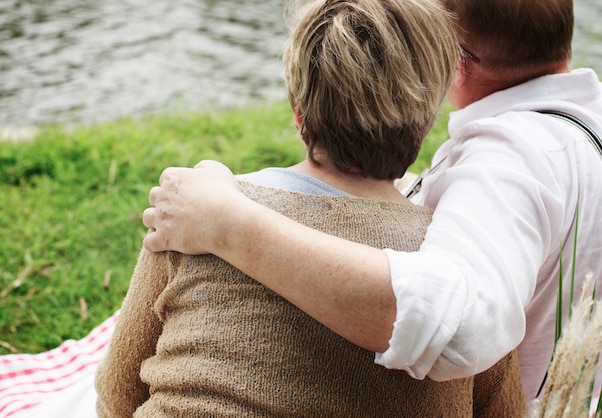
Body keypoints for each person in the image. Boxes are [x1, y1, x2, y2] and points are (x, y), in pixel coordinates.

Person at [142, 0, 602, 406]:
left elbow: (459, 328)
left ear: (456, 62)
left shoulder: (507, 160)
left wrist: (227, 221)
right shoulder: (576, 132)